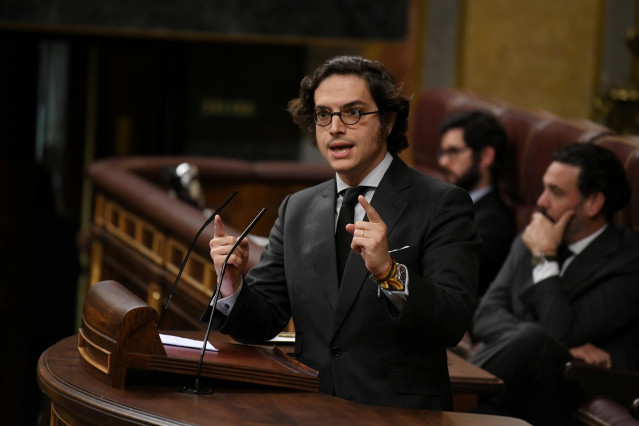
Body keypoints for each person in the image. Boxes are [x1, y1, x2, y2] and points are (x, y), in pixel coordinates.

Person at [206, 55, 480, 410]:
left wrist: (389, 274)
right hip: (309, 409)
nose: (335, 128)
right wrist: (231, 284)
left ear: (387, 120)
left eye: (352, 112)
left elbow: (452, 321)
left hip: (398, 414)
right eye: (323, 114)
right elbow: (263, 319)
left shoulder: (442, 203)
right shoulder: (297, 208)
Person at [469, 143, 639, 425]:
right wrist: (555, 346)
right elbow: (485, 315)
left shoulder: (629, 261)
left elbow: (559, 331)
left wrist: (544, 257)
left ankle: (436, 395)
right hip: (513, 384)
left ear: (594, 203)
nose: (542, 201)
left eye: (556, 192)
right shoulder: (535, 234)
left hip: (570, 391)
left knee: (534, 339)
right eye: (544, 187)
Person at [438, 110, 515, 296]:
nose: (443, 162)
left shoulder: (494, 224)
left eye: (454, 151)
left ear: (486, 156)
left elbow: (452, 278)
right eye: (442, 152)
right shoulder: (444, 199)